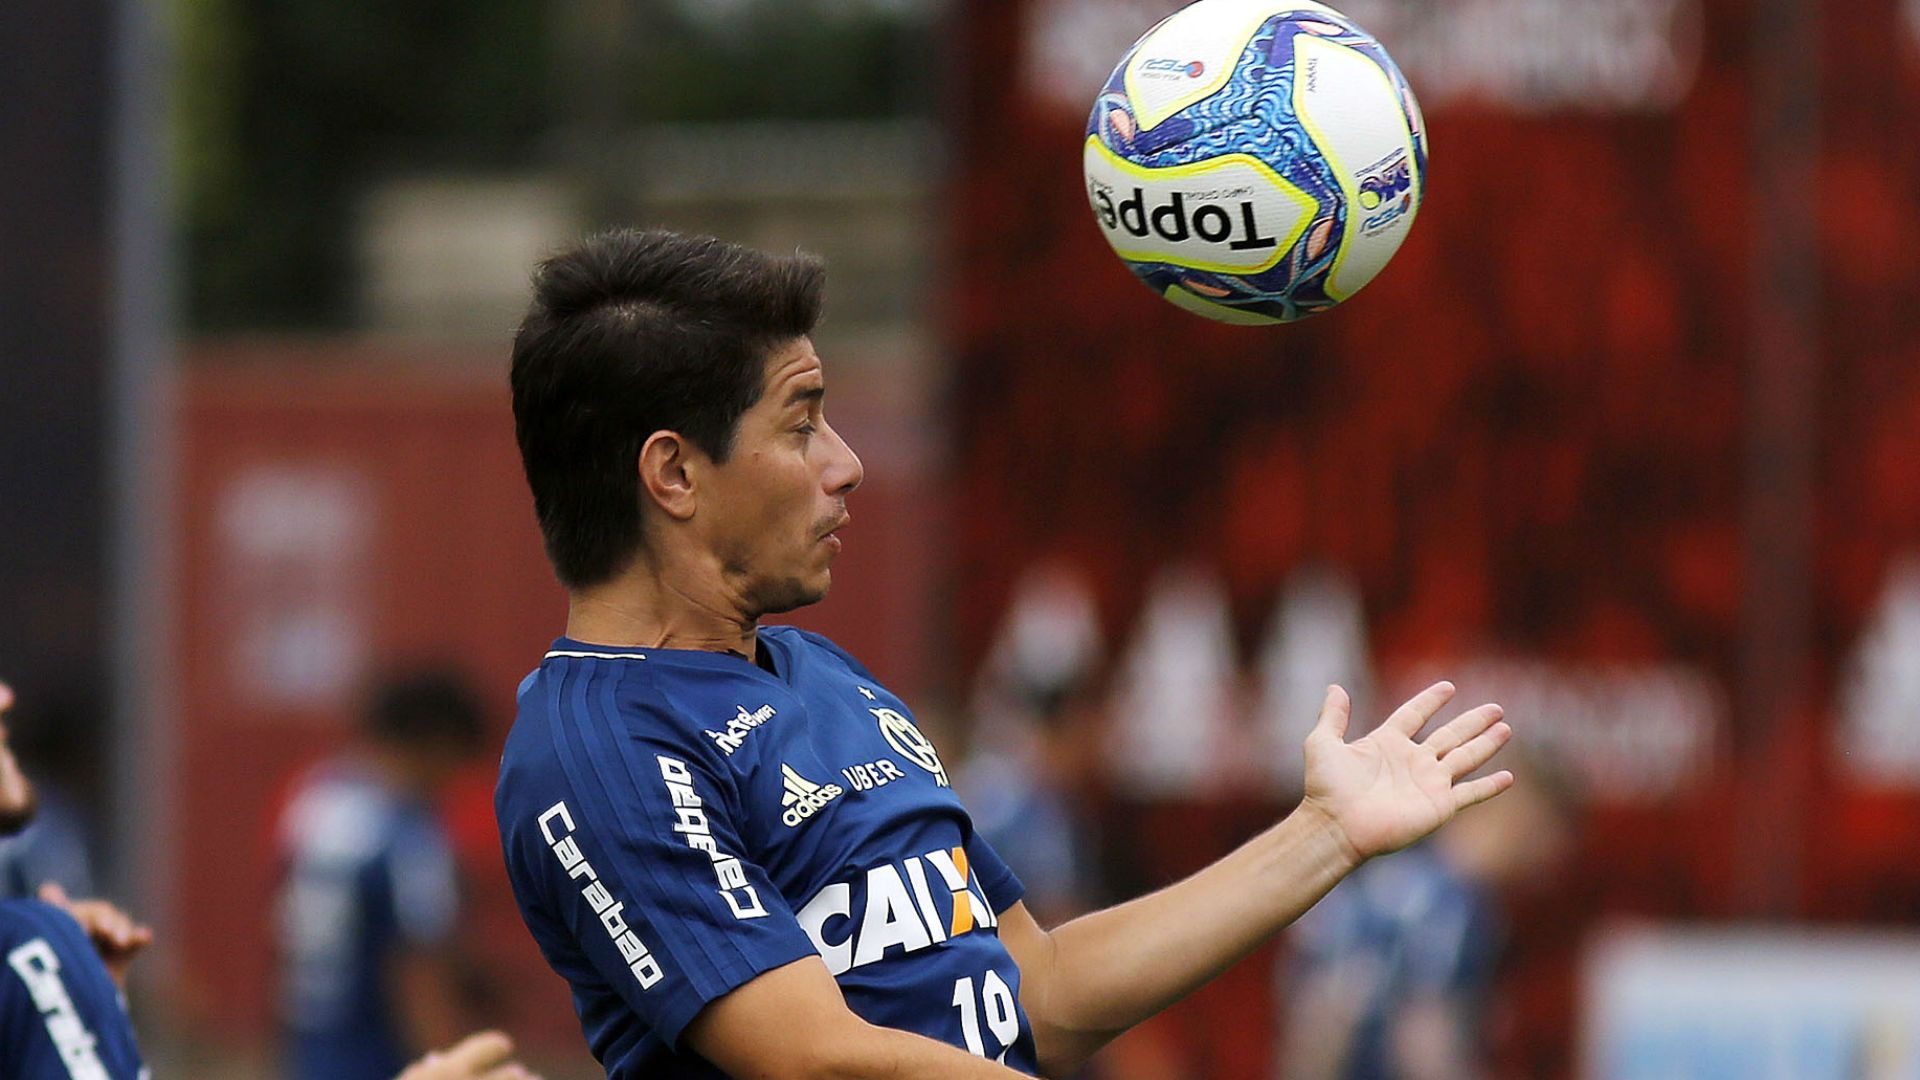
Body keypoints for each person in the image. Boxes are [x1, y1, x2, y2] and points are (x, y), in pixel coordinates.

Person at [494, 229, 1515, 1079]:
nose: (845, 465)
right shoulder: (600, 746)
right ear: (672, 471)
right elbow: (812, 1059)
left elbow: (1041, 987)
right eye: (802, 423)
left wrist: (1325, 836)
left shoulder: (826, 678)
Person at [1276, 751, 1572, 1080]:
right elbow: (1425, 1040)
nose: (1549, 867)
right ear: (1526, 819)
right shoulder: (1454, 907)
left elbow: (1319, 1017)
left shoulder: (1382, 870)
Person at [276, 671, 486, 1080]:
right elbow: (420, 975)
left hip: (310, 1049)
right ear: (437, 744)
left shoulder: (315, 801)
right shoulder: (410, 837)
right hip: (379, 1056)